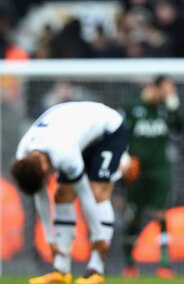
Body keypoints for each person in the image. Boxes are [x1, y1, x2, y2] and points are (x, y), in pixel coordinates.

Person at [10, 102, 126, 284]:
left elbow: (85, 194)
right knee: (62, 194)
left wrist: (99, 236)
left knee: (97, 190)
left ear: (44, 165)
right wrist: (50, 238)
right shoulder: (23, 154)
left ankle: (96, 270)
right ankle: (61, 271)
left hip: (107, 130)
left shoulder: (63, 153)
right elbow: (41, 196)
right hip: (77, 135)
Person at [121, 75, 184, 279]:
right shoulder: (132, 107)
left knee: (161, 213)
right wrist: (123, 157)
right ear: (154, 88)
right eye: (166, 91)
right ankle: (129, 263)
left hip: (160, 168)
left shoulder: (165, 109)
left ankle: (164, 263)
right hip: (136, 169)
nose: (168, 96)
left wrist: (174, 107)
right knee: (134, 215)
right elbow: (119, 134)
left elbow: (180, 128)